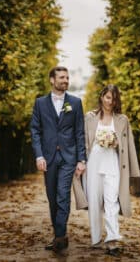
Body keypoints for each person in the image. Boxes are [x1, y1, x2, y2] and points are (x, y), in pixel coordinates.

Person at [30, 66, 86, 253]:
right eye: (62, 77)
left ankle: (60, 237)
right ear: (52, 80)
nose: (66, 80)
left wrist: (81, 160)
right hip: (48, 157)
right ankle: (58, 236)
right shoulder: (40, 103)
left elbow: (79, 133)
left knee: (63, 195)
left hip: (68, 158)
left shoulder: (76, 103)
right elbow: (35, 131)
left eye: (68, 77)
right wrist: (39, 155)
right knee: (52, 198)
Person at [84, 84, 140, 256]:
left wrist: (117, 144)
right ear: (102, 97)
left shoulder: (122, 119)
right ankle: (95, 237)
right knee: (94, 201)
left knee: (112, 201)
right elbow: (84, 141)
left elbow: (128, 144)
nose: (110, 101)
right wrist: (79, 163)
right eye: (108, 97)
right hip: (93, 163)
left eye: (114, 99)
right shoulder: (90, 117)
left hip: (113, 164)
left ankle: (112, 240)